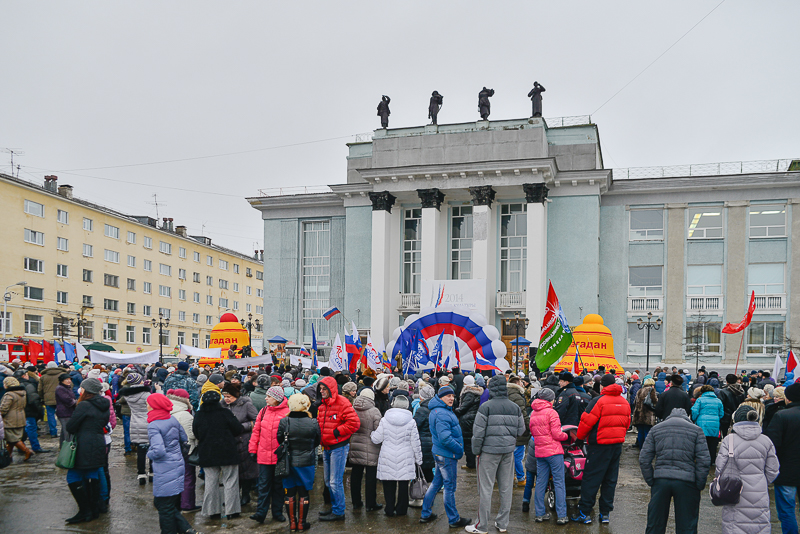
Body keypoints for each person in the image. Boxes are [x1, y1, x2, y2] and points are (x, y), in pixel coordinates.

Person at [466, 375, 526, 534]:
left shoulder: (486, 407)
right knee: (506, 489)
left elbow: (478, 433)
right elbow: (521, 430)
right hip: (507, 451)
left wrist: (476, 451)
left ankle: (482, 525)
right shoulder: (515, 407)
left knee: (485, 489)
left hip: (488, 452)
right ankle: (502, 523)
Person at [571, 373, 631, 525]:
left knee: (592, 478)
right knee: (610, 480)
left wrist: (579, 440)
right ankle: (605, 513)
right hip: (616, 445)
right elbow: (627, 423)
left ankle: (584, 512)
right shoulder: (624, 403)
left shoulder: (599, 401)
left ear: (602, 385)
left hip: (599, 445)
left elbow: (586, 422)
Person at [639, 407, 710, 534]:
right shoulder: (696, 430)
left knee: (655, 523)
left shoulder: (656, 429)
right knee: (687, 524)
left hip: (661, 479)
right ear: (687, 416)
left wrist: (651, 479)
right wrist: (699, 484)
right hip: (687, 481)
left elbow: (644, 458)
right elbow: (703, 460)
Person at [717, 405, 779, 534]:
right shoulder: (766, 440)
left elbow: (720, 468)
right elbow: (773, 469)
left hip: (734, 489)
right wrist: (761, 481)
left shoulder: (729, 440)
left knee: (735, 525)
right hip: (759, 490)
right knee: (759, 524)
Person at [146, 393, 199, 534]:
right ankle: (187, 530)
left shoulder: (153, 425)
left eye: (148, 403)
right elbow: (184, 439)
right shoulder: (172, 419)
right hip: (177, 464)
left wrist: (148, 453)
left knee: (164, 507)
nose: (147, 406)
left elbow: (158, 451)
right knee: (167, 504)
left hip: (165, 468)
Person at [419, 385, 471, 528]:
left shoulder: (440, 410)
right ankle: (454, 519)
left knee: (436, 483)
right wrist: (459, 450)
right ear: (441, 397)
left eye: (453, 396)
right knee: (449, 487)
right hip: (446, 455)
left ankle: (426, 513)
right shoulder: (442, 413)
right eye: (448, 396)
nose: (451, 398)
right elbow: (445, 438)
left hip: (440, 453)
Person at [193, 389, 245, 519]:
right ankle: (232, 511)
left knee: (211, 482)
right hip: (227, 450)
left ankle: (212, 511)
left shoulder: (199, 415)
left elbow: (196, 433)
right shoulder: (225, 413)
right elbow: (238, 429)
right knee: (231, 480)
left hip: (207, 452)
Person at [64, 377, 110, 524]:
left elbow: (71, 426)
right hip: (98, 442)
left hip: (84, 444)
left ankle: (84, 511)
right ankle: (94, 509)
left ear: (86, 390)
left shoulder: (84, 405)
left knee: (73, 477)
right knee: (92, 474)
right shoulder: (105, 403)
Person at [317, 376, 360, 522]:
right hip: (326, 447)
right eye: (320, 389)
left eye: (324, 389)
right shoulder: (322, 405)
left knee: (335, 481)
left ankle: (339, 511)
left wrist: (337, 431)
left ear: (331, 389)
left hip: (338, 447)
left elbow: (354, 423)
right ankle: (336, 506)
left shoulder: (342, 402)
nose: (322, 391)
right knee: (328, 481)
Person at [371, 395, 423, 517]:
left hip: (387, 454)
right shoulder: (411, 421)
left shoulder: (385, 420)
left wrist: (372, 434)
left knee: (388, 483)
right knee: (404, 484)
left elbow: (377, 439)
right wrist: (418, 459)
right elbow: (415, 442)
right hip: (405, 455)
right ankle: (402, 509)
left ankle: (389, 509)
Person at [278, 393, 321, 531]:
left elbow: (279, 440)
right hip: (306, 461)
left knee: (289, 492)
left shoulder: (284, 422)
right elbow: (317, 441)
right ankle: (302, 523)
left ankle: (292, 523)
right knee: (304, 493)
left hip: (288, 461)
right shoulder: (313, 422)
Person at [249, 386, 289, 523]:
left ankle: (277, 513)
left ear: (277, 399)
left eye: (269, 396)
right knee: (263, 485)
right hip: (264, 455)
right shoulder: (264, 411)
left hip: (280, 456)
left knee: (278, 486)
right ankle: (261, 513)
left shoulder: (287, 412)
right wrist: (253, 449)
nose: (266, 398)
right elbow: (256, 431)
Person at [529, 388, 569, 524]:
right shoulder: (552, 412)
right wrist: (566, 435)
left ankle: (540, 514)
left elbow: (533, 433)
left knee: (540, 482)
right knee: (559, 482)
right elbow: (557, 434)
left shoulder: (533, 413)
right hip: (554, 452)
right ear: (550, 399)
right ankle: (562, 515)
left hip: (540, 452)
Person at [764, 382, 800, 534]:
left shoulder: (782, 416)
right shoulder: (783, 415)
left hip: (786, 471)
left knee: (787, 511)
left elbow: (772, 445)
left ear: (788, 399)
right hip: (788, 470)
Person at [221, 383, 259, 507]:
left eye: (229, 396)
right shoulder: (221, 405)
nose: (226, 398)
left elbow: (257, 421)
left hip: (244, 441)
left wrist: (241, 427)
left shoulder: (246, 405)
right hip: (228, 442)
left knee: (246, 470)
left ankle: (245, 495)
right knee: (231, 472)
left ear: (236, 396)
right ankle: (232, 496)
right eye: (225, 396)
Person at [349, 388, 383, 512]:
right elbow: (378, 430)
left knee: (356, 475)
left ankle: (356, 501)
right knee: (370, 477)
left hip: (355, 445)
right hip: (371, 447)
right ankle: (371, 504)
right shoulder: (374, 411)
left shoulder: (352, 409)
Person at [166, 389, 198, 512]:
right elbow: (191, 434)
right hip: (185, 449)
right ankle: (187, 504)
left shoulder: (168, 411)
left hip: (171, 448)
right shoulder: (185, 414)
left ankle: (176, 502)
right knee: (188, 476)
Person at [118, 372, 151, 484]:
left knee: (141, 451)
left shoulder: (127, 395)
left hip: (136, 422)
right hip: (148, 422)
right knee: (152, 449)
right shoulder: (146, 395)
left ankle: (141, 474)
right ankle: (152, 473)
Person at [1, 376, 33, 461]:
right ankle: (8, 456)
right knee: (11, 439)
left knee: (13, 438)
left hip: (10, 419)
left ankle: (27, 451)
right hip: (21, 417)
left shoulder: (9, 394)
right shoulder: (22, 392)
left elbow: (4, 408)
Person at [506, 376, 531, 486]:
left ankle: (510, 476)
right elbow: (522, 414)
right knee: (518, 456)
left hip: (507, 429)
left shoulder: (505, 393)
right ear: (517, 383)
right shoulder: (518, 397)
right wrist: (529, 427)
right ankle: (521, 478)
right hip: (518, 430)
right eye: (521, 382)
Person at [454, 375, 482, 469]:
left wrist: (455, 411)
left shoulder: (469, 393)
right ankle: (472, 462)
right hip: (472, 417)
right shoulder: (475, 391)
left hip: (468, 419)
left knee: (468, 442)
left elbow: (464, 407)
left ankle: (470, 464)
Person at [691, 384, 725, 460]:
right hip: (715, 424)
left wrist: (694, 419)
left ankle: (701, 460)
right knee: (712, 444)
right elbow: (721, 414)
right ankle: (712, 460)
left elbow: (694, 411)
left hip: (702, 424)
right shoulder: (718, 401)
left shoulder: (700, 400)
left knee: (702, 443)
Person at [413, 384, 436, 484]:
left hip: (423, 443)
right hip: (433, 442)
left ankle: (422, 493)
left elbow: (415, 426)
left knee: (421, 470)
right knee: (429, 469)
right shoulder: (436, 408)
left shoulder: (421, 410)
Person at [39, 361, 63, 437]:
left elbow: (40, 389)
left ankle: (53, 432)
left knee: (50, 415)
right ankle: (64, 431)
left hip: (48, 398)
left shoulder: (43, 376)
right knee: (63, 415)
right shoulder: (62, 375)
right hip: (61, 398)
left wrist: (42, 398)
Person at [632, 378, 658, 449]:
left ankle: (641, 447)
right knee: (647, 432)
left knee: (640, 432)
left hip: (638, 415)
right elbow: (655, 402)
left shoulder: (639, 390)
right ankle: (646, 449)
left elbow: (634, 402)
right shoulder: (651, 390)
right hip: (648, 415)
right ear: (652, 384)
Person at [55, 373, 77, 445]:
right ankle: (67, 447)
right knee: (67, 431)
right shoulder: (60, 388)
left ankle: (62, 446)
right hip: (64, 412)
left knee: (64, 431)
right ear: (62, 381)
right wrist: (75, 402)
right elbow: (67, 399)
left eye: (69, 379)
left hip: (68, 411)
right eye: (66, 379)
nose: (69, 381)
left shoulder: (67, 387)